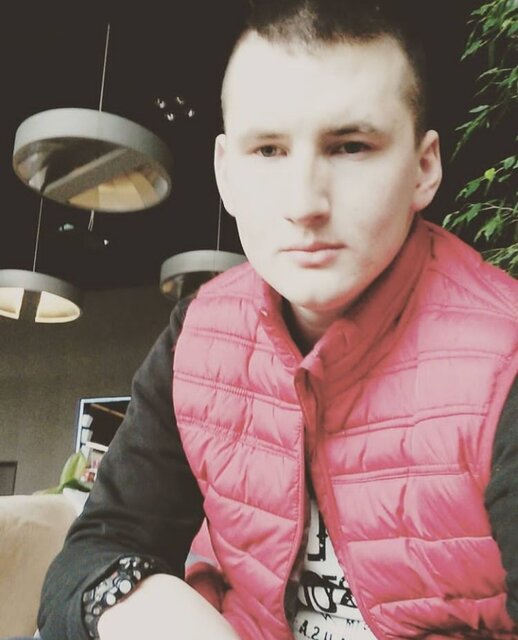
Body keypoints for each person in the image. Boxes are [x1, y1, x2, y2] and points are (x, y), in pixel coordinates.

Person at [35, 1, 518, 639]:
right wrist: (140, 605)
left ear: (424, 168)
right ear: (225, 174)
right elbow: (94, 553)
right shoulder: (200, 335)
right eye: (267, 150)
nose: (303, 203)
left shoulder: (505, 354)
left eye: (351, 146)